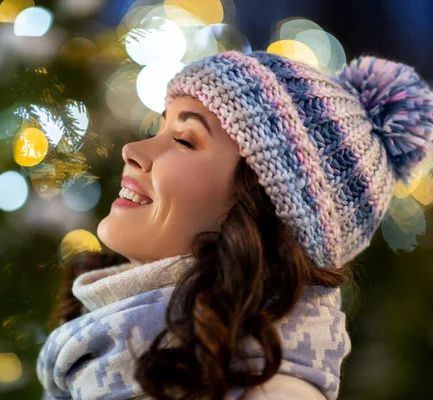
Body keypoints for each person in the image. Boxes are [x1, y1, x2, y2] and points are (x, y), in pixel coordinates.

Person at [35, 50, 433, 399]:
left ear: (258, 211)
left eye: (186, 140)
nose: (133, 151)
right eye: (158, 129)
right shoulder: (98, 355)